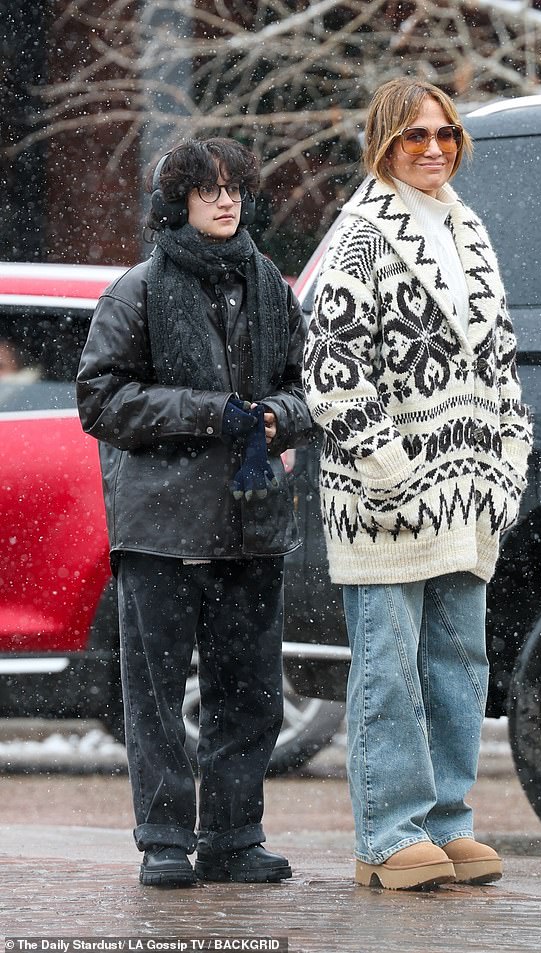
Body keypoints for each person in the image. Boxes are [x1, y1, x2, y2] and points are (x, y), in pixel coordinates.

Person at [303, 79, 533, 891]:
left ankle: (444, 820)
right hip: (384, 503)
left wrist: (509, 460)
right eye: (415, 137)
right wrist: (394, 472)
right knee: (390, 669)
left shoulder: (470, 231)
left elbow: (501, 361)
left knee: (457, 663)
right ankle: (387, 833)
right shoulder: (360, 237)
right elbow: (331, 376)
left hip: (469, 499)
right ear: (384, 146)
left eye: (446, 135)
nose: (434, 149)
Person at [77, 137, 313, 887]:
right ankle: (166, 840)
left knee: (249, 693)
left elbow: (310, 388)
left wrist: (276, 416)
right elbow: (101, 399)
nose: (225, 200)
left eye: (234, 187)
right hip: (162, 530)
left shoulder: (271, 286)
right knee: (155, 696)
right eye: (207, 189)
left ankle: (235, 837)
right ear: (176, 202)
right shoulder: (137, 291)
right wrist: (212, 413)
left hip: (252, 523)